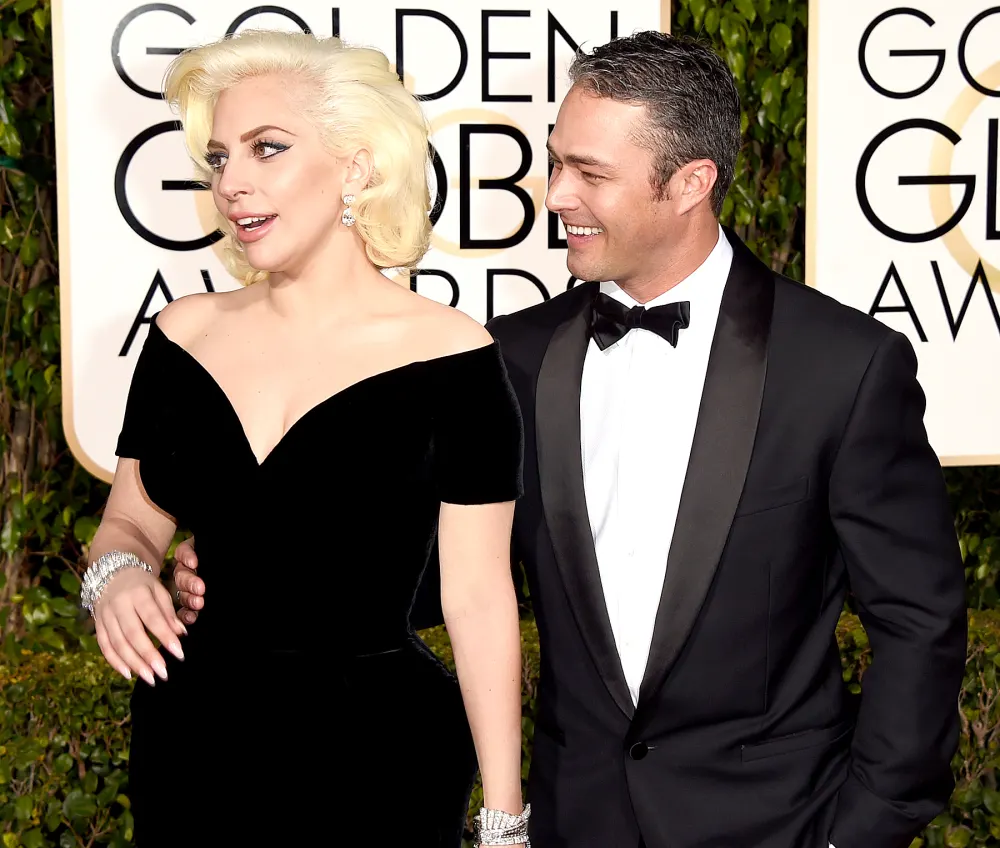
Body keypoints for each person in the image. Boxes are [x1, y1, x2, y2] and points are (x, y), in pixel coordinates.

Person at [174, 31, 968, 848]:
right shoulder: (509, 355)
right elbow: (438, 575)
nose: (555, 195)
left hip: (778, 826)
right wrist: (244, 565)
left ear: (691, 183)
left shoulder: (841, 365)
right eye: (556, 163)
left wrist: (859, 833)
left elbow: (919, 620)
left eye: (590, 174)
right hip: (570, 822)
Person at [83, 29, 528, 848]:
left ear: (355, 167)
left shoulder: (456, 360)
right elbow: (133, 521)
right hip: (192, 738)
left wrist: (504, 818)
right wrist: (115, 577)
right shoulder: (184, 337)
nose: (233, 184)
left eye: (268, 150)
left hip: (377, 754)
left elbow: (477, 599)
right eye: (220, 159)